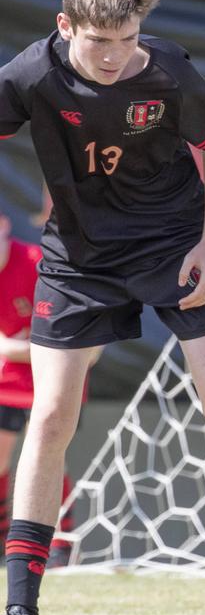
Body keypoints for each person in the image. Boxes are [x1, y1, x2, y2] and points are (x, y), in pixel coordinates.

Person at [0, 0, 205, 615]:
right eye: (99, 41)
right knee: (52, 411)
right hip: (78, 258)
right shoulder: (33, 73)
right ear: (65, 26)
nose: (115, 56)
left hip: (174, 245)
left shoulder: (168, 72)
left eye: (128, 38)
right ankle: (18, 613)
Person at [0, 213, 78, 566]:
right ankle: (6, 541)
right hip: (6, 385)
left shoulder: (37, 264)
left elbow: (72, 336)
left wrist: (18, 348)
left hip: (47, 379)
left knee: (47, 452)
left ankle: (60, 542)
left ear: (4, 226)